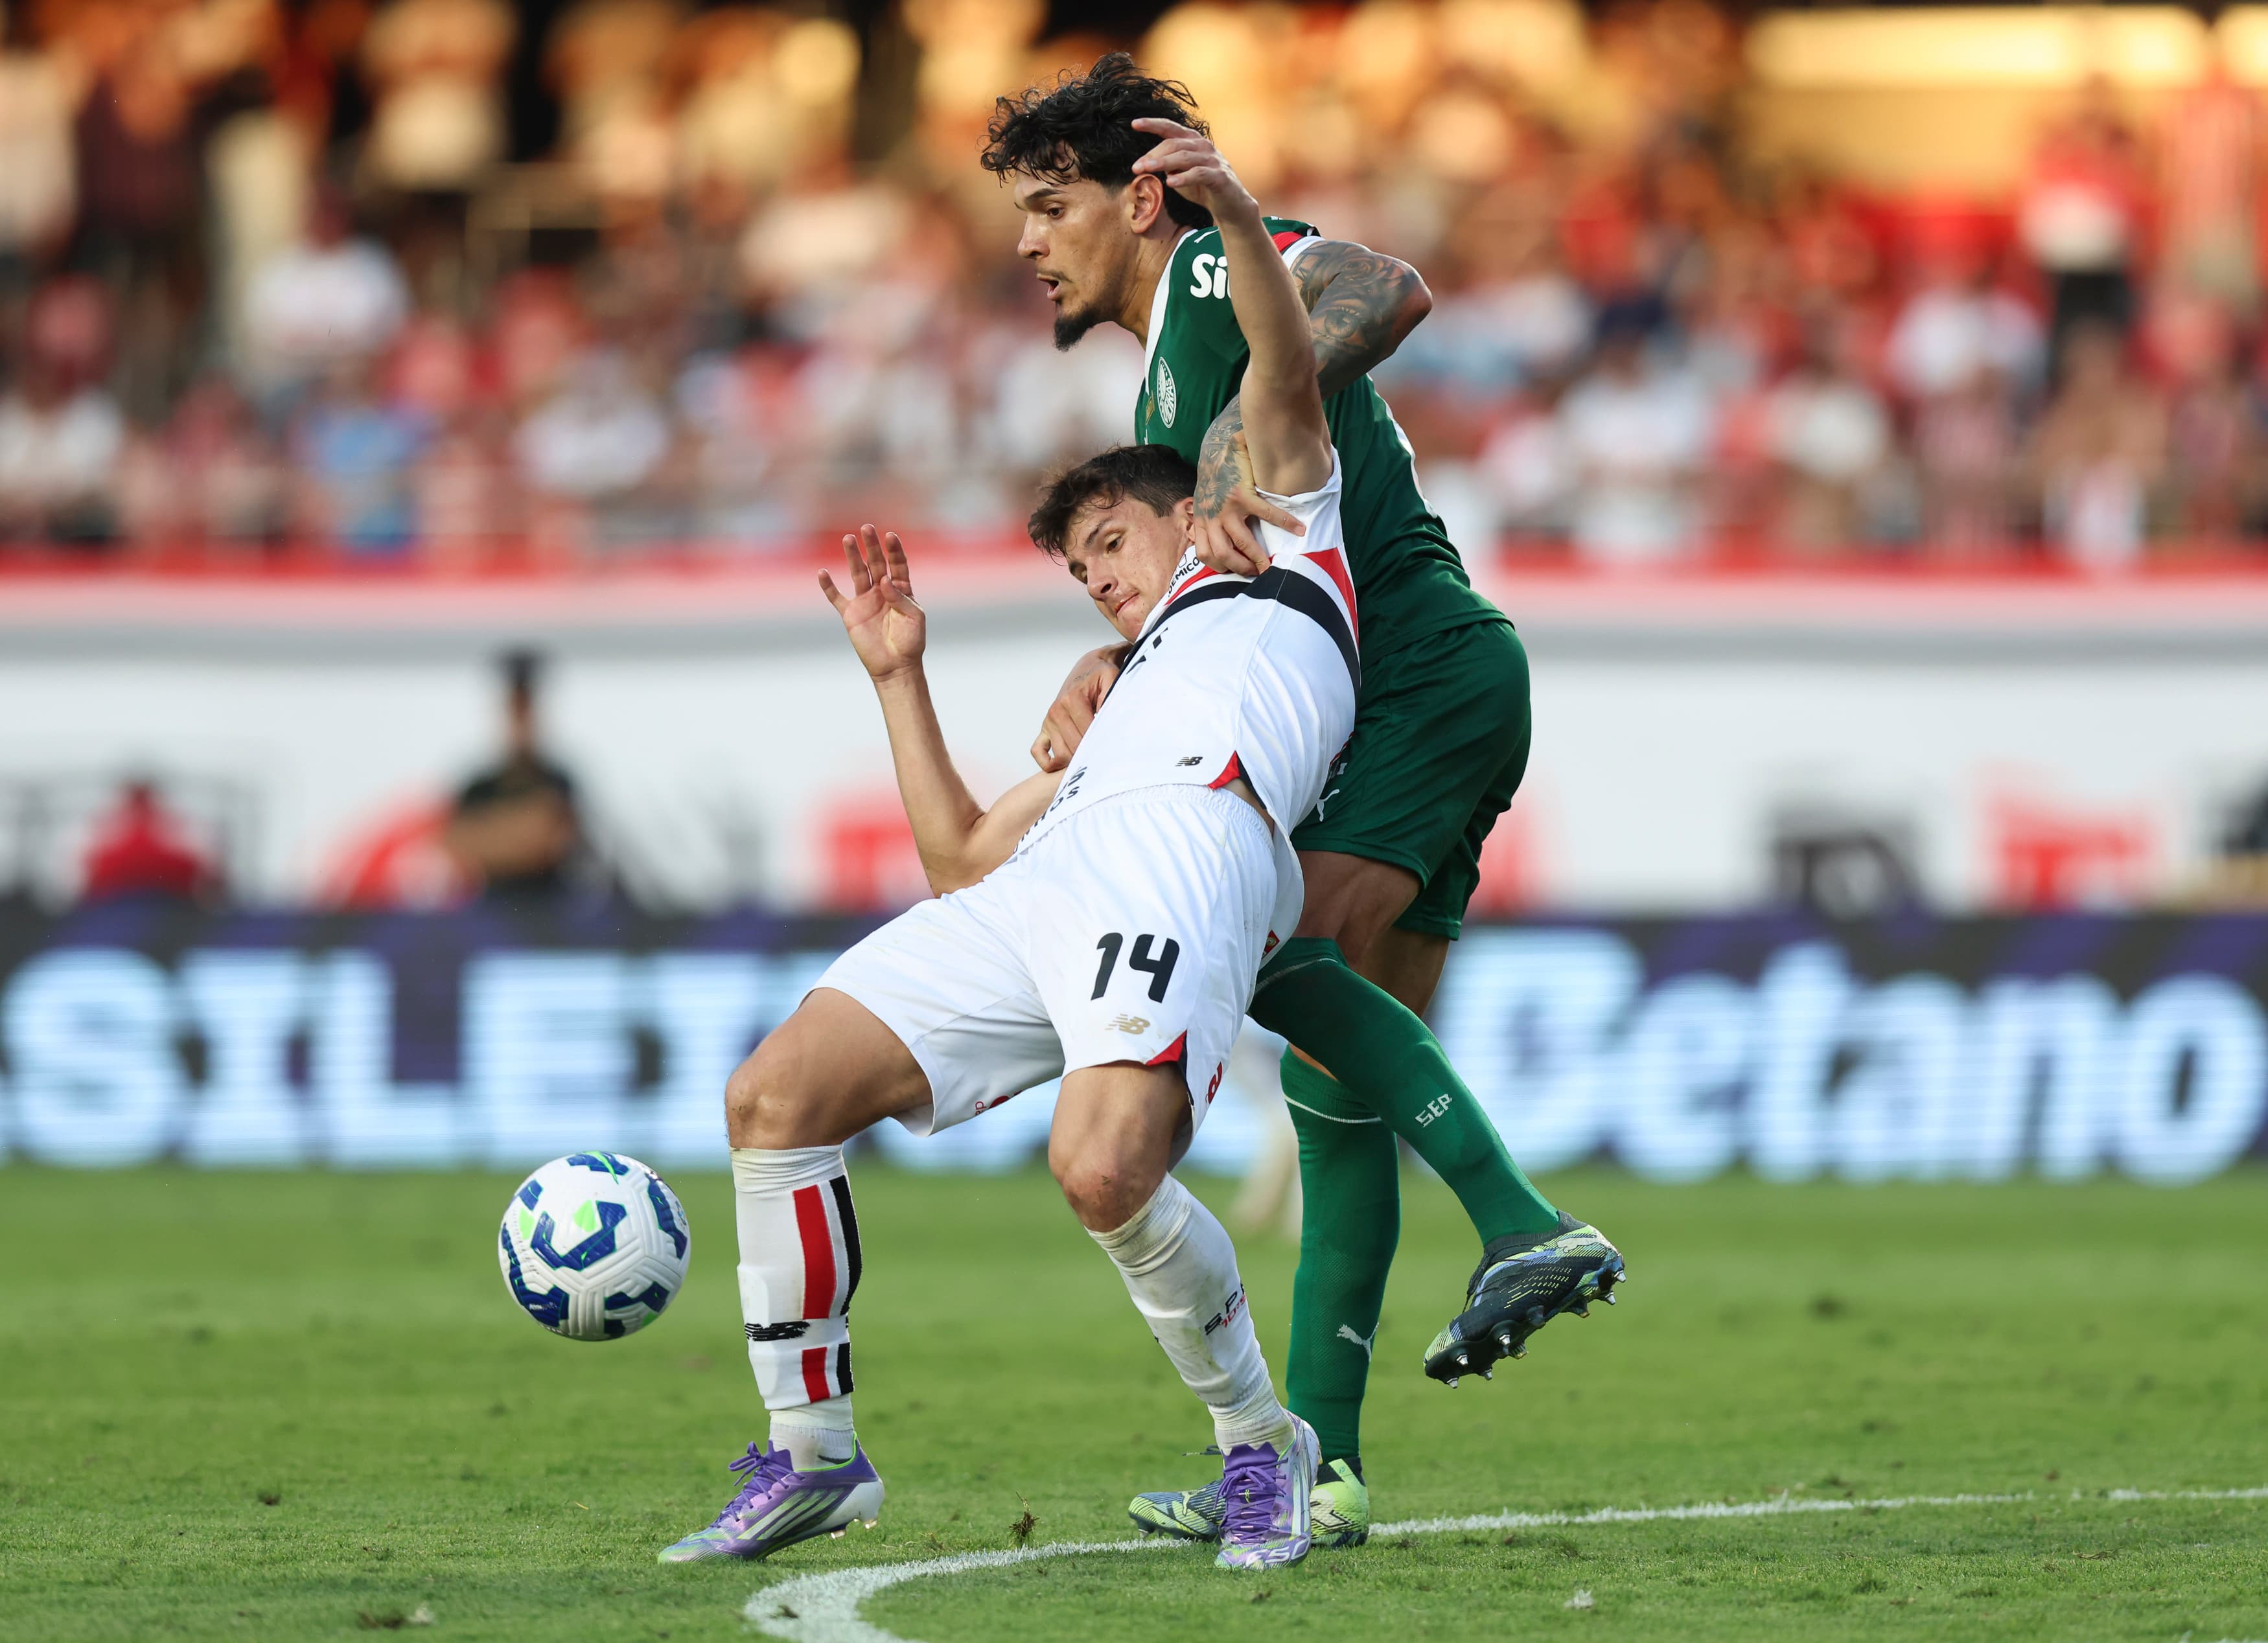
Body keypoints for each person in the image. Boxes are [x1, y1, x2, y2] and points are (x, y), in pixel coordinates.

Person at [659, 137, 1355, 1572]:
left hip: (1191, 841)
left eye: (1110, 539)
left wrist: (1233, 213)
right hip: (1061, 870)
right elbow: (964, 864)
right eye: (1078, 566)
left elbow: (1286, 374)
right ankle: (812, 1454)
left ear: (1189, 505)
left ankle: (1260, 1444)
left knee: (1100, 1170)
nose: (1096, 576)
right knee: (774, 1094)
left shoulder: (1279, 533)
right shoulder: (1117, 694)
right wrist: (898, 677)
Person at [982, 59, 1624, 1550]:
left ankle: (1528, 1223)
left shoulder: (1215, 264)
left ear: (1141, 195)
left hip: (1413, 673)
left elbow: (1386, 288)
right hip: (1415, 687)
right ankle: (1318, 1470)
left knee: (1269, 942)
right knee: (1336, 1096)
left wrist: (1226, 390)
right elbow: (1221, 560)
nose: (1027, 240)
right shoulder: (1162, 369)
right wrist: (1113, 659)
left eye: (1052, 204)